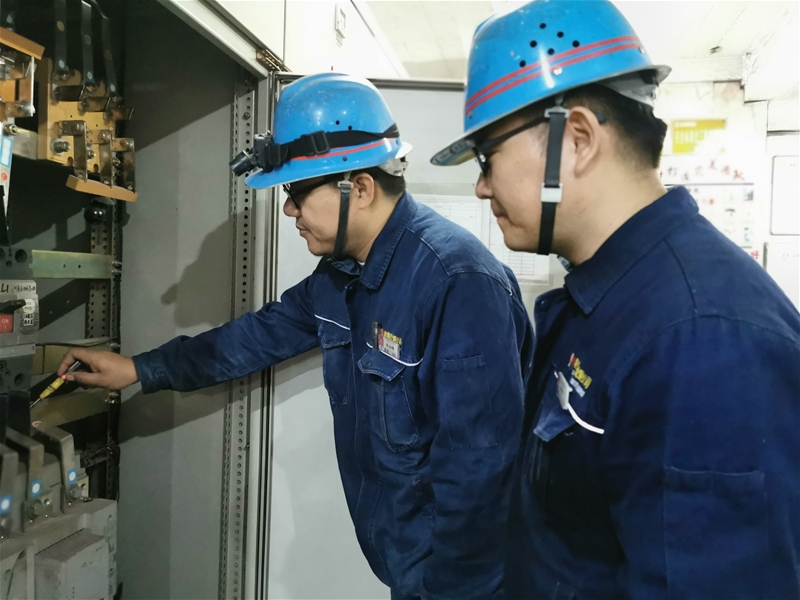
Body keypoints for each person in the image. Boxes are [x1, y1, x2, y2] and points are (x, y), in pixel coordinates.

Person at [60, 73, 534, 599]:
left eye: (297, 192)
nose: (289, 210)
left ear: (360, 188)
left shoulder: (457, 281)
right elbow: (258, 336)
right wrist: (139, 369)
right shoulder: (342, 275)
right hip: (410, 565)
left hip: (460, 582)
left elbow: (481, 470)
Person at [431, 1, 800, 598]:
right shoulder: (609, 296)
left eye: (486, 156)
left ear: (574, 140)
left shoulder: (703, 337)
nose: (480, 185)